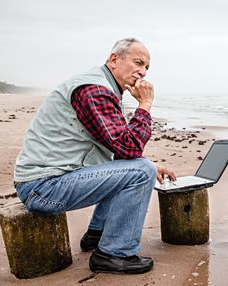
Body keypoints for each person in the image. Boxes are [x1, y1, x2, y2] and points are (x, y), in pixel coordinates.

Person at [13, 38, 176, 274]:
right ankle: (114, 254)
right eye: (138, 62)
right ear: (114, 60)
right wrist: (145, 104)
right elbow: (129, 148)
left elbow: (121, 150)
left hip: (45, 181)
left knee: (138, 166)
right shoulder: (95, 90)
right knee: (140, 171)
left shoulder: (101, 86)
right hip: (44, 187)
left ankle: (97, 235)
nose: (142, 71)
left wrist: (149, 163)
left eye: (147, 67)